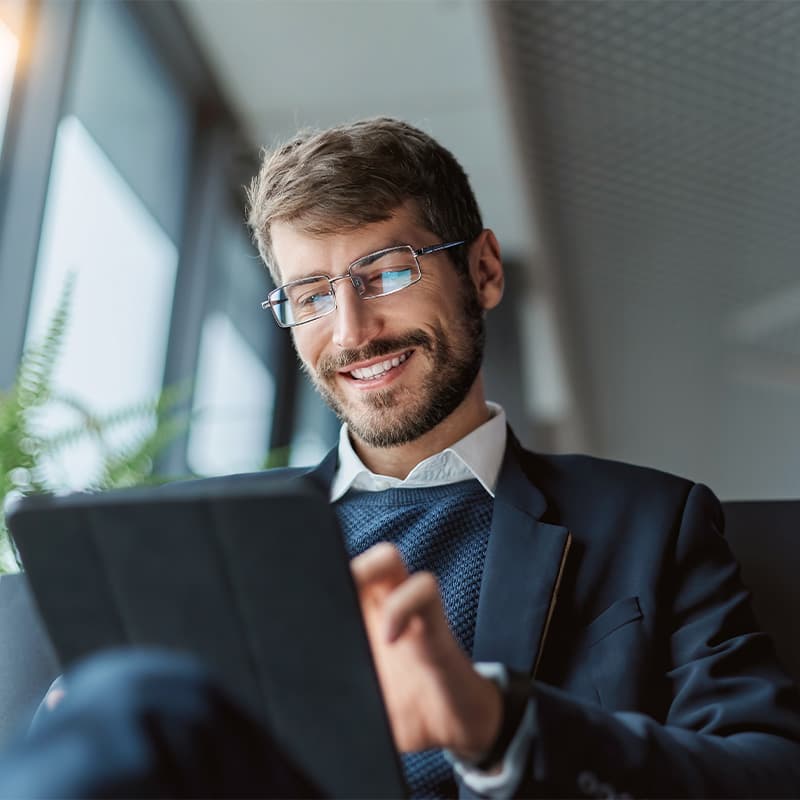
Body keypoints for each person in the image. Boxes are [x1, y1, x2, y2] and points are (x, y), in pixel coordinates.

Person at [2, 116, 800, 799]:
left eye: (385, 272)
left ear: (481, 270)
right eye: (311, 294)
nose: (351, 331)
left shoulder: (649, 525)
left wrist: (498, 723)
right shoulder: (210, 539)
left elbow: (767, 774)